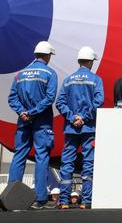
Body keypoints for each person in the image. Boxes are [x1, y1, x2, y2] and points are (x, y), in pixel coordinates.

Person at [6, 41, 58, 209]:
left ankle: (11, 195)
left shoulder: (20, 74)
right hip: (41, 122)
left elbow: (12, 98)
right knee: (42, 157)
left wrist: (23, 112)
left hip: (23, 121)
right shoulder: (50, 73)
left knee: (19, 155)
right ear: (48, 56)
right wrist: (34, 112)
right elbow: (50, 98)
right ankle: (40, 198)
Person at [56, 46, 104, 210]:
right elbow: (99, 101)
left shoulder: (68, 80)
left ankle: (63, 201)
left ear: (79, 61)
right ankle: (86, 201)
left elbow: (60, 102)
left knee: (67, 164)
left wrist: (72, 117)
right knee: (88, 164)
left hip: (71, 129)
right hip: (89, 129)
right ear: (91, 61)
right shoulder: (95, 79)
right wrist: (84, 118)